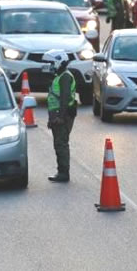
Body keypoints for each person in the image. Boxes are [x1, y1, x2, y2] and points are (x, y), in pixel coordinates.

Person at [43, 49, 78, 182]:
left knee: (61, 144)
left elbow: (64, 98)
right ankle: (61, 171)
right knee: (58, 143)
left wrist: (60, 117)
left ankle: (63, 173)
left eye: (51, 63)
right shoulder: (60, 76)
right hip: (57, 115)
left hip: (62, 115)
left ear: (58, 62)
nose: (49, 66)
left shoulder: (65, 77)